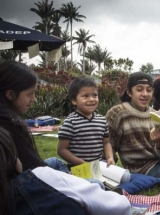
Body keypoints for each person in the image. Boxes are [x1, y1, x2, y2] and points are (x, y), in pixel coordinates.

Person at [0, 126, 131, 215]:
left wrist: (109, 157)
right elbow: (118, 206)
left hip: (83, 171)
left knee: (54, 162)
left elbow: (106, 142)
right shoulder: (42, 175)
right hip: (80, 178)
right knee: (97, 183)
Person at [0, 61, 68, 173]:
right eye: (30, 94)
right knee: (96, 183)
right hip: (26, 181)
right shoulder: (12, 126)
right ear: (10, 94)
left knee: (56, 161)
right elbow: (35, 170)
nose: (33, 99)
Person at [58, 77, 115, 168]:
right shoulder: (70, 122)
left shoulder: (102, 120)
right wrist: (81, 163)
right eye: (85, 96)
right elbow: (62, 149)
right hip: (77, 168)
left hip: (98, 166)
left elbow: (106, 143)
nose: (92, 99)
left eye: (95, 95)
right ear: (74, 100)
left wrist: (110, 157)